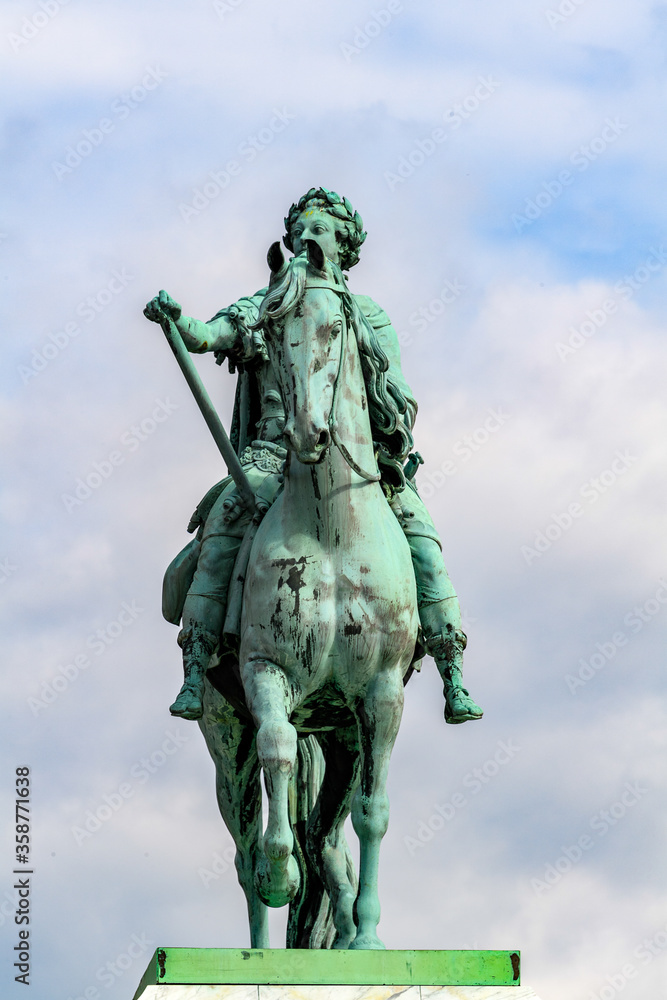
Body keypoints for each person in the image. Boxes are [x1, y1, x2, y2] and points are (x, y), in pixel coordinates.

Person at [144, 186, 482, 726]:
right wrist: (181, 324)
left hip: (359, 462)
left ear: (342, 247)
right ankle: (196, 660)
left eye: (319, 230)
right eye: (299, 229)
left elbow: (400, 392)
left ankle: (451, 666)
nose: (305, 237)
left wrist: (384, 405)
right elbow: (213, 334)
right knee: (225, 520)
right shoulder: (270, 301)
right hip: (272, 454)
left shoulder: (369, 316)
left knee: (422, 537)